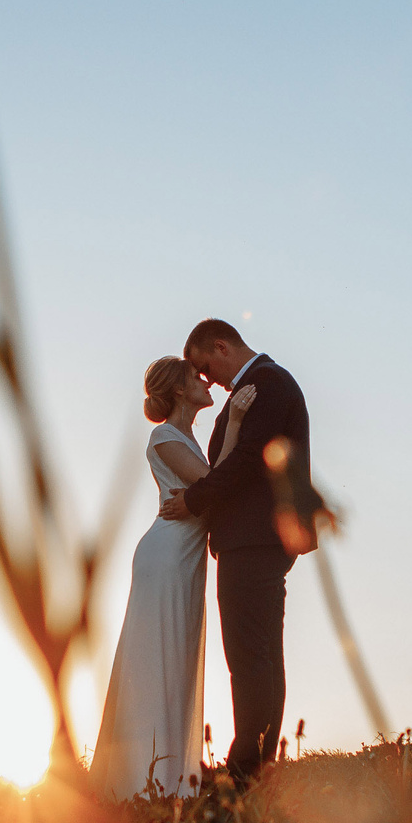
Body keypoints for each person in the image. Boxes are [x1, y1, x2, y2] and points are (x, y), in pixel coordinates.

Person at [160, 319, 315, 787]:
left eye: (206, 368)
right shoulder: (256, 388)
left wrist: (193, 500)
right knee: (259, 655)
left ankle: (248, 769)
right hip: (254, 539)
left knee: (251, 657)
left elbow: (248, 463)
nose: (208, 380)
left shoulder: (265, 384)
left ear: (222, 346)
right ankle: (257, 764)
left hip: (255, 539)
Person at [88, 357, 218, 798]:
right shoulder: (163, 436)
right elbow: (212, 484)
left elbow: (210, 490)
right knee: (154, 661)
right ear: (179, 390)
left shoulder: (190, 438)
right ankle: (141, 784)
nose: (205, 380)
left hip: (186, 558)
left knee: (177, 657)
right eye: (195, 376)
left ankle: (168, 782)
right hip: (165, 557)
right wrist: (235, 419)